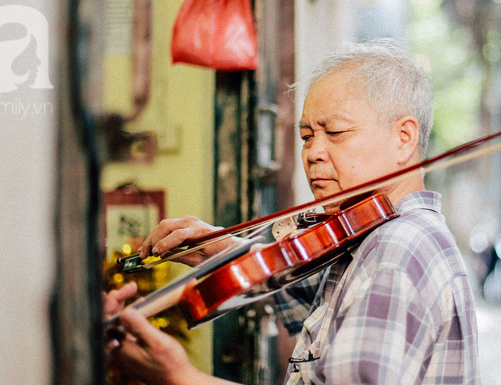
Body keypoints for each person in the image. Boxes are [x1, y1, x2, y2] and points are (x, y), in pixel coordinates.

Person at [105, 38, 479, 384]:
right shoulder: (369, 243)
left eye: (335, 132)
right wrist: (218, 250)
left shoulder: (400, 248)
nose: (314, 152)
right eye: (306, 136)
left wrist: (178, 376)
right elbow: (305, 296)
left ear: (404, 138)